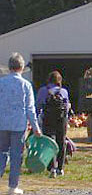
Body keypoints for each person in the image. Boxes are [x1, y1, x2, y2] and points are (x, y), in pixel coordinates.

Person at [0, 52, 42, 195]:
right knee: (16, 156)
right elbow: (30, 108)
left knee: (1, 153)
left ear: (9, 67)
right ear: (22, 67)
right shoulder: (26, 85)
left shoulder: (1, 83)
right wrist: (36, 128)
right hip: (18, 124)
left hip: (2, 123)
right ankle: (12, 187)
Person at [36, 71, 71, 178]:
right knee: (61, 141)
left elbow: (38, 105)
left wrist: (37, 118)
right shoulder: (63, 91)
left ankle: (51, 168)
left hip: (48, 119)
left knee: (49, 142)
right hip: (61, 120)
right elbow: (67, 106)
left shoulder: (43, 90)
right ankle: (60, 168)